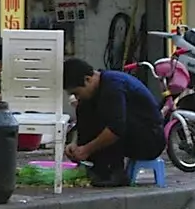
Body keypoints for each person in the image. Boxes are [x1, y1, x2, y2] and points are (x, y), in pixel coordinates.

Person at [62, 57, 166, 187]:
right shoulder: (96, 89)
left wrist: (86, 150)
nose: (76, 97)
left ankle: (114, 170)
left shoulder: (113, 86)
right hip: (131, 133)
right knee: (84, 107)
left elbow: (116, 128)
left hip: (150, 139)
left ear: (87, 79)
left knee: (112, 121)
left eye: (76, 93)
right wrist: (75, 145)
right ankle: (98, 167)